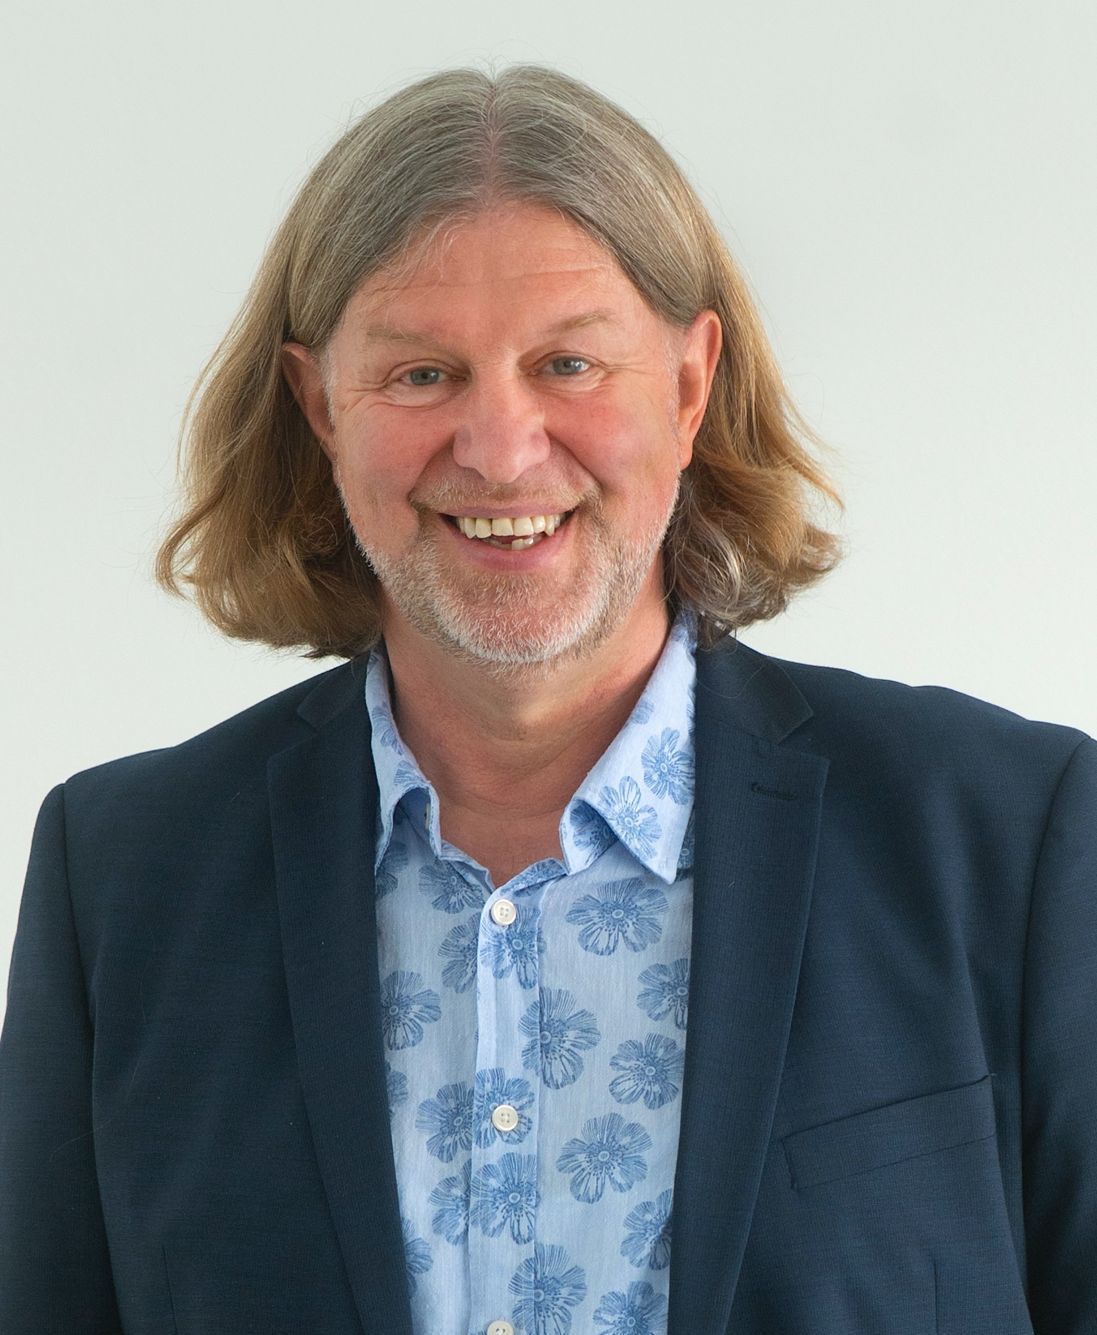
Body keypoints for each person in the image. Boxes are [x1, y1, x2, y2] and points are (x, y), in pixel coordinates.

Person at [0, 64, 1092, 1335]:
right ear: (317, 407)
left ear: (687, 386)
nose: (501, 448)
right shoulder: (122, 878)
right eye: (421, 375)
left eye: (568, 363)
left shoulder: (1008, 839)